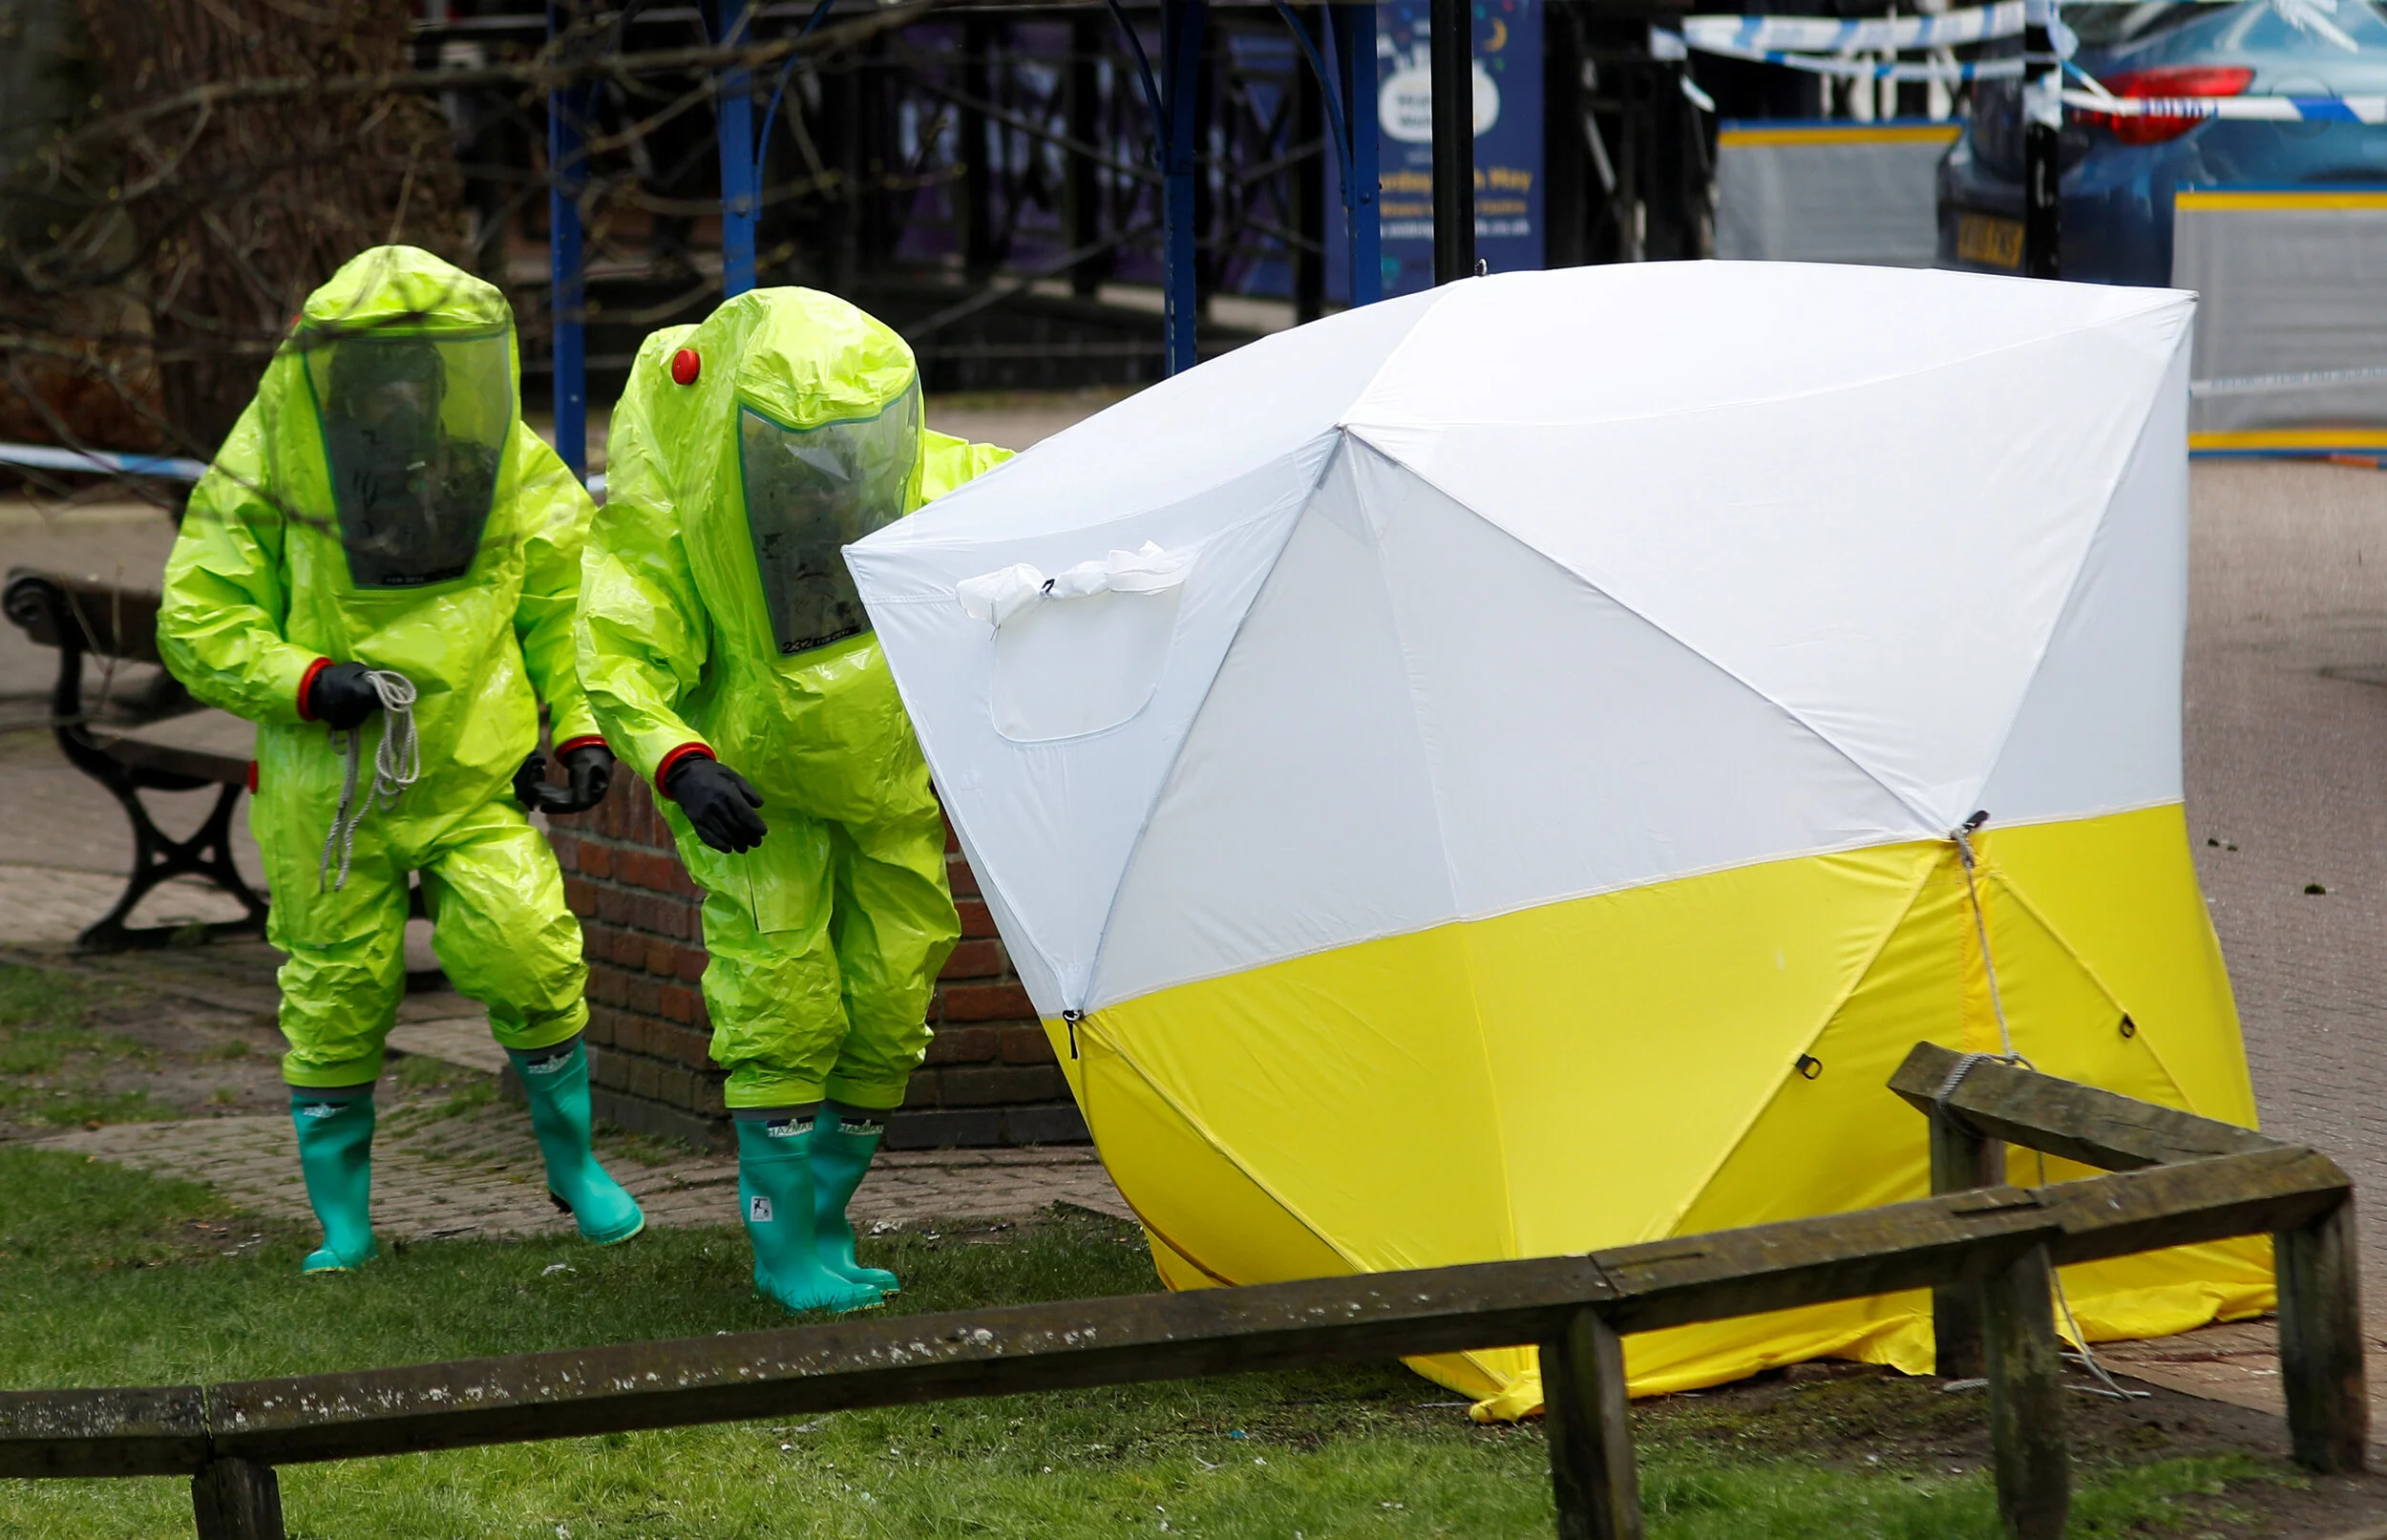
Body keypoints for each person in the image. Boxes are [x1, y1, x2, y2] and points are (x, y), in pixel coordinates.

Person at [158, 244, 643, 1274]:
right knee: (336, 993)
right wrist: (301, 678)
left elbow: (569, 602)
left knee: (528, 951)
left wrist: (585, 726)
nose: (405, 391)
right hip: (328, 790)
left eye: (425, 370)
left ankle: (576, 1166)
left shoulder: (500, 459)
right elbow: (198, 616)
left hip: (471, 768)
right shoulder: (271, 464)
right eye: (383, 371)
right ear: (333, 371)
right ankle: (345, 1219)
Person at [577, 288, 1010, 1313]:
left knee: (893, 991)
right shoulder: (692, 511)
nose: (823, 482)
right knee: (783, 996)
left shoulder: (922, 473)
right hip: (757, 794)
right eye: (798, 461)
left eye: (844, 456)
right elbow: (620, 648)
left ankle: (822, 1221)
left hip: (884, 783)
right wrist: (681, 761)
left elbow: (1051, 509)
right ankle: (782, 1250)